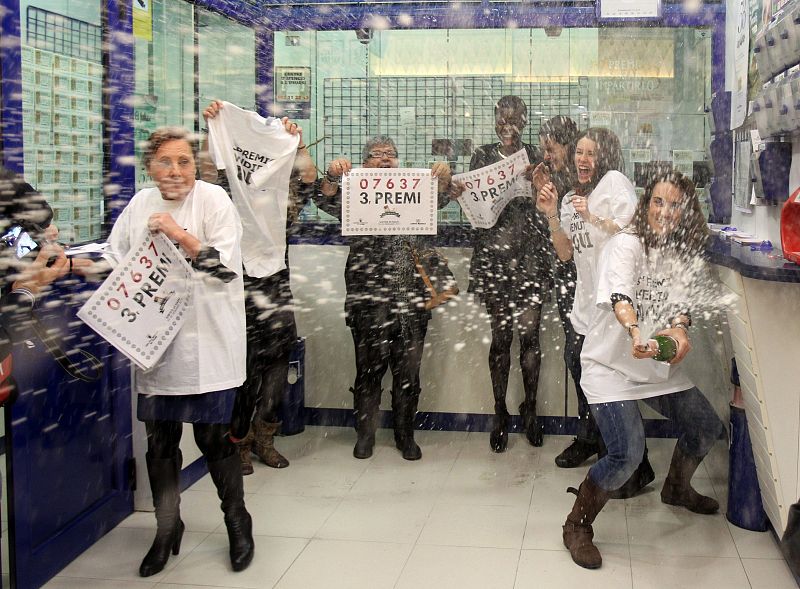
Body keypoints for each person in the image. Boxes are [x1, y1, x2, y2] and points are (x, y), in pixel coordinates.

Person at [77, 128, 254, 576]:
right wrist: (73, 261)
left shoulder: (213, 201)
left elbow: (225, 267)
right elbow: (117, 256)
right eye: (164, 162)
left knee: (214, 440)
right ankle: (166, 526)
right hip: (158, 344)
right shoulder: (140, 204)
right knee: (160, 443)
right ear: (149, 166)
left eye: (184, 163)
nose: (175, 171)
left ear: (196, 167)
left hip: (209, 342)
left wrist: (177, 232)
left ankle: (238, 522)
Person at [559, 171, 725, 569]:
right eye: (657, 202)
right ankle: (577, 525)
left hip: (653, 366)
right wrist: (634, 329)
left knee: (706, 425)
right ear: (645, 202)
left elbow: (681, 308)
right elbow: (620, 296)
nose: (664, 212)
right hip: (610, 368)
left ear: (685, 211)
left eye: (673, 205)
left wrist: (680, 331)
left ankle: (677, 487)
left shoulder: (682, 252)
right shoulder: (625, 244)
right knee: (627, 454)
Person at [536, 127, 654, 497]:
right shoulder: (573, 196)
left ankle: (628, 465)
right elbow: (566, 253)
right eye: (580, 153)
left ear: (605, 157)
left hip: (614, 310)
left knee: (613, 390)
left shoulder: (615, 184)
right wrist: (553, 214)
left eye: (591, 153)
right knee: (591, 384)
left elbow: (631, 231)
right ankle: (623, 460)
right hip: (584, 310)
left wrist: (593, 218)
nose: (583, 159)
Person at [318, 137, 452, 460]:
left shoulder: (415, 192)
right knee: (367, 372)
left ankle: (405, 436)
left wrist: (444, 176)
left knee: (408, 375)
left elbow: (444, 197)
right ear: (364, 164)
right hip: (367, 299)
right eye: (376, 156)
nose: (384, 160)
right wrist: (332, 175)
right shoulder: (354, 193)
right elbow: (324, 198)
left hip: (411, 299)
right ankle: (365, 436)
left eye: (390, 155)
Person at [201, 101, 317, 474]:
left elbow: (311, 178)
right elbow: (206, 173)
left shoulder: (284, 188)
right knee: (245, 368)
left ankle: (265, 437)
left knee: (278, 368)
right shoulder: (229, 187)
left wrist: (296, 143)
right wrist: (213, 128)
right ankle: (241, 443)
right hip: (239, 284)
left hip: (276, 282)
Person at [450, 95, 551, 452]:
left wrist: (538, 183)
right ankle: (499, 412)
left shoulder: (536, 158)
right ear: (495, 121)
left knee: (531, 341)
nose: (507, 125)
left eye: (514, 119)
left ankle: (531, 410)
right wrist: (458, 192)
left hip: (530, 258)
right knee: (501, 340)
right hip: (495, 259)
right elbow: (473, 203)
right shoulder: (481, 157)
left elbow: (550, 206)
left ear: (524, 122)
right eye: (501, 118)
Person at [532, 116, 603, 467]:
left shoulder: (585, 182)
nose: (547, 153)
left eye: (552, 146)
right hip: (566, 280)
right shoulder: (551, 180)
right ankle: (591, 435)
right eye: (544, 145)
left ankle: (605, 438)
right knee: (577, 360)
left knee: (592, 361)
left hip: (589, 283)